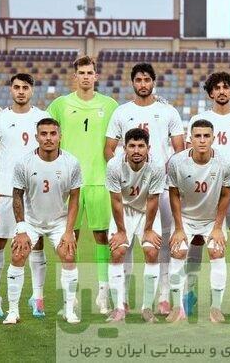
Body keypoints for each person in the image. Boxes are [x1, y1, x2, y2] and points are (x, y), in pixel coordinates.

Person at [104, 62, 184, 315]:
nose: (142, 84)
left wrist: (160, 174)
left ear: (153, 82)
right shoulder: (122, 112)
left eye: (147, 79)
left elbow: (180, 150)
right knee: (122, 247)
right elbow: (109, 149)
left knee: (160, 244)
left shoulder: (168, 111)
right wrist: (127, 175)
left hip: (160, 187)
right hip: (129, 191)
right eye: (138, 80)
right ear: (132, 83)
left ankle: (163, 297)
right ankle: (123, 301)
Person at [47, 55, 119, 314]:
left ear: (96, 76)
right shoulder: (60, 105)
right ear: (75, 76)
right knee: (69, 238)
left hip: (100, 180)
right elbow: (45, 134)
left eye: (90, 72)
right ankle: (71, 297)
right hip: (68, 183)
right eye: (82, 73)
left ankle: (103, 294)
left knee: (102, 237)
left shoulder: (110, 105)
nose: (86, 77)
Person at [184, 72, 230, 313]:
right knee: (196, 240)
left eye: (226, 87)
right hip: (205, 194)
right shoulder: (199, 119)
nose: (222, 91)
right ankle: (190, 292)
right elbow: (188, 156)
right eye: (217, 88)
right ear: (210, 93)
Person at [0, 73, 49, 319]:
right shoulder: (0, 120)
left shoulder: (42, 117)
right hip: (4, 192)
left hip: (33, 194)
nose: (21, 91)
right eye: (17, 87)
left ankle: (37, 297)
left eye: (25, 87)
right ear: (11, 89)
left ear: (32, 90)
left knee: (36, 244)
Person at [3, 118, 83, 324]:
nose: (48, 138)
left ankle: (69, 310)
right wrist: (21, 228)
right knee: (18, 254)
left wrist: (69, 231)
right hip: (31, 221)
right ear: (37, 137)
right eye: (44, 134)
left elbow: (75, 199)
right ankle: (13, 311)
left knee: (69, 255)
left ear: (60, 136)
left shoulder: (72, 163)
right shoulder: (24, 163)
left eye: (53, 133)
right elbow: (17, 195)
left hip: (59, 222)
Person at [165, 119, 230, 323]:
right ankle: (177, 307)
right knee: (178, 251)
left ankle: (216, 308)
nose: (202, 140)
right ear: (191, 138)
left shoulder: (225, 162)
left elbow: (226, 195)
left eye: (206, 136)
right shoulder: (177, 162)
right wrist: (179, 228)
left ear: (214, 138)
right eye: (198, 136)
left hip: (212, 219)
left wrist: (218, 227)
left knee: (217, 251)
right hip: (185, 218)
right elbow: (173, 194)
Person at [105, 128, 166, 323]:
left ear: (149, 148)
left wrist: (148, 230)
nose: (137, 150)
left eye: (141, 146)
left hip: (147, 212)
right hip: (123, 211)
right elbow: (115, 200)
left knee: (151, 251)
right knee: (117, 252)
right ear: (124, 148)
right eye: (132, 146)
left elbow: (153, 199)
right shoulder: (114, 165)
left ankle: (147, 308)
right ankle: (119, 307)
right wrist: (121, 231)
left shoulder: (157, 166)